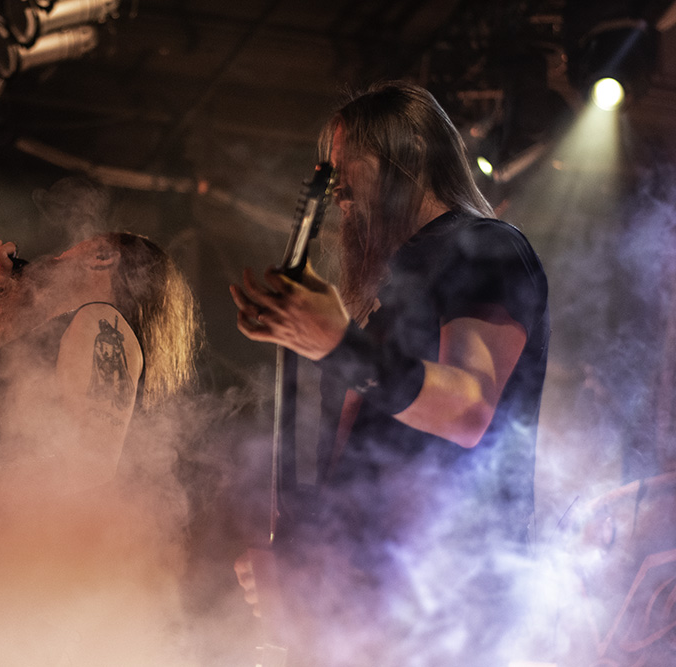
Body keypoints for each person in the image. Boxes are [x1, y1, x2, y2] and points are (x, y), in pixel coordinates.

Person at [230, 80, 550, 665]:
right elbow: (362, 456)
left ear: (403, 156)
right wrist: (305, 562)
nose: (334, 188)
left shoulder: (486, 247)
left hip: (445, 609)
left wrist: (338, 344)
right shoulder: (396, 283)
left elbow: (468, 409)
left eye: (343, 165)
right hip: (370, 613)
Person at [0, 230, 200, 508]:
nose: (56, 256)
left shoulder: (102, 321)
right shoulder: (50, 347)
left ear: (101, 257)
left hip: (6, 565)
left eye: (70, 249)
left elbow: (92, 463)